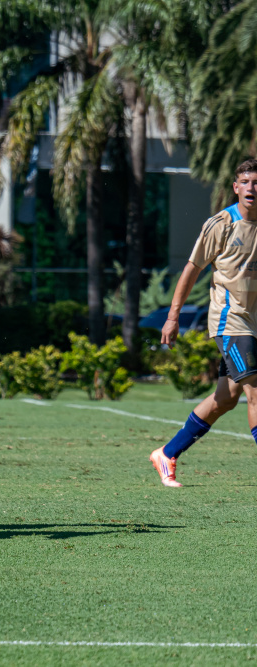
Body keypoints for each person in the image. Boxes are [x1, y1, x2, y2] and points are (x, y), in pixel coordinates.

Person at [150, 157, 257, 487]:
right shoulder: (221, 223)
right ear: (236, 187)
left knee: (226, 398)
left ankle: (166, 453)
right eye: (246, 182)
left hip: (254, 322)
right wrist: (172, 317)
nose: (252, 188)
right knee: (256, 390)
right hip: (230, 321)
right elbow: (192, 268)